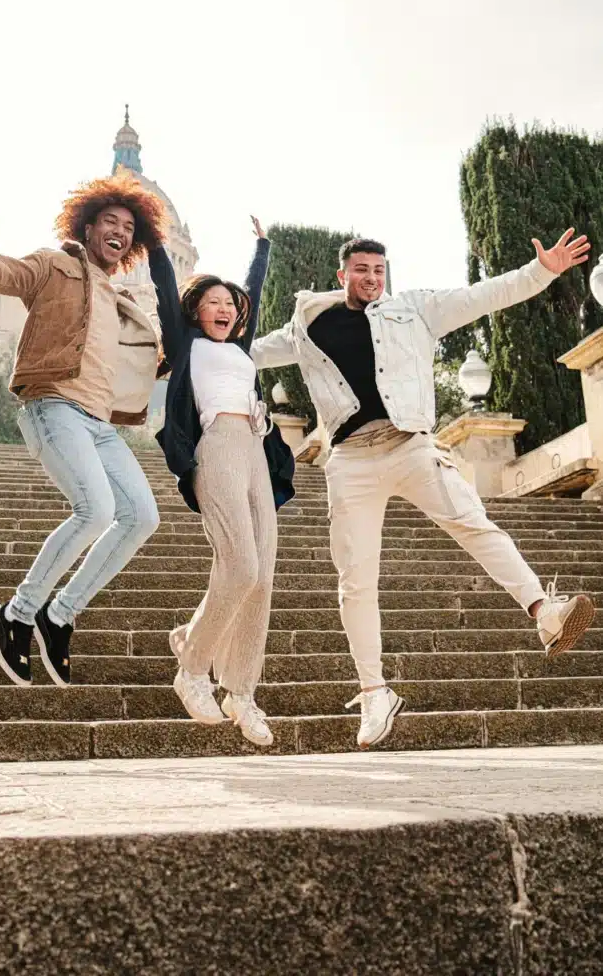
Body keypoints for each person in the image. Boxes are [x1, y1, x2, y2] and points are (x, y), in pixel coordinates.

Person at [251, 227, 594, 749]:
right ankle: (374, 693)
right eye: (361, 270)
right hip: (349, 460)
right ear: (342, 275)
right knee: (356, 579)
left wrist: (542, 271)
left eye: (379, 271)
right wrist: (180, 348)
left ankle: (545, 613)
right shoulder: (306, 326)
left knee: (475, 523)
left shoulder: (413, 310)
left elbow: (483, 296)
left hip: (409, 445)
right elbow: (243, 352)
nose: (371, 278)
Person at [0, 169, 168, 688]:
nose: (120, 232)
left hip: (101, 423)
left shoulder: (120, 300)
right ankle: (17, 614)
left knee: (143, 517)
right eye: (110, 221)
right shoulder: (53, 265)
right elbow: (2, 275)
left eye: (130, 228)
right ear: (87, 228)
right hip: (54, 405)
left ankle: (60, 614)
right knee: (96, 511)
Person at [149, 216, 294, 748]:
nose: (226, 309)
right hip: (216, 449)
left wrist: (262, 247)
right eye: (214, 302)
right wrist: (157, 242)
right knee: (240, 565)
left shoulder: (240, 348)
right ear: (195, 311)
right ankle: (192, 667)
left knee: (263, 574)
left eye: (231, 306)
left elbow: (252, 290)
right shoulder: (187, 344)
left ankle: (242, 691)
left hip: (256, 450)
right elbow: (165, 288)